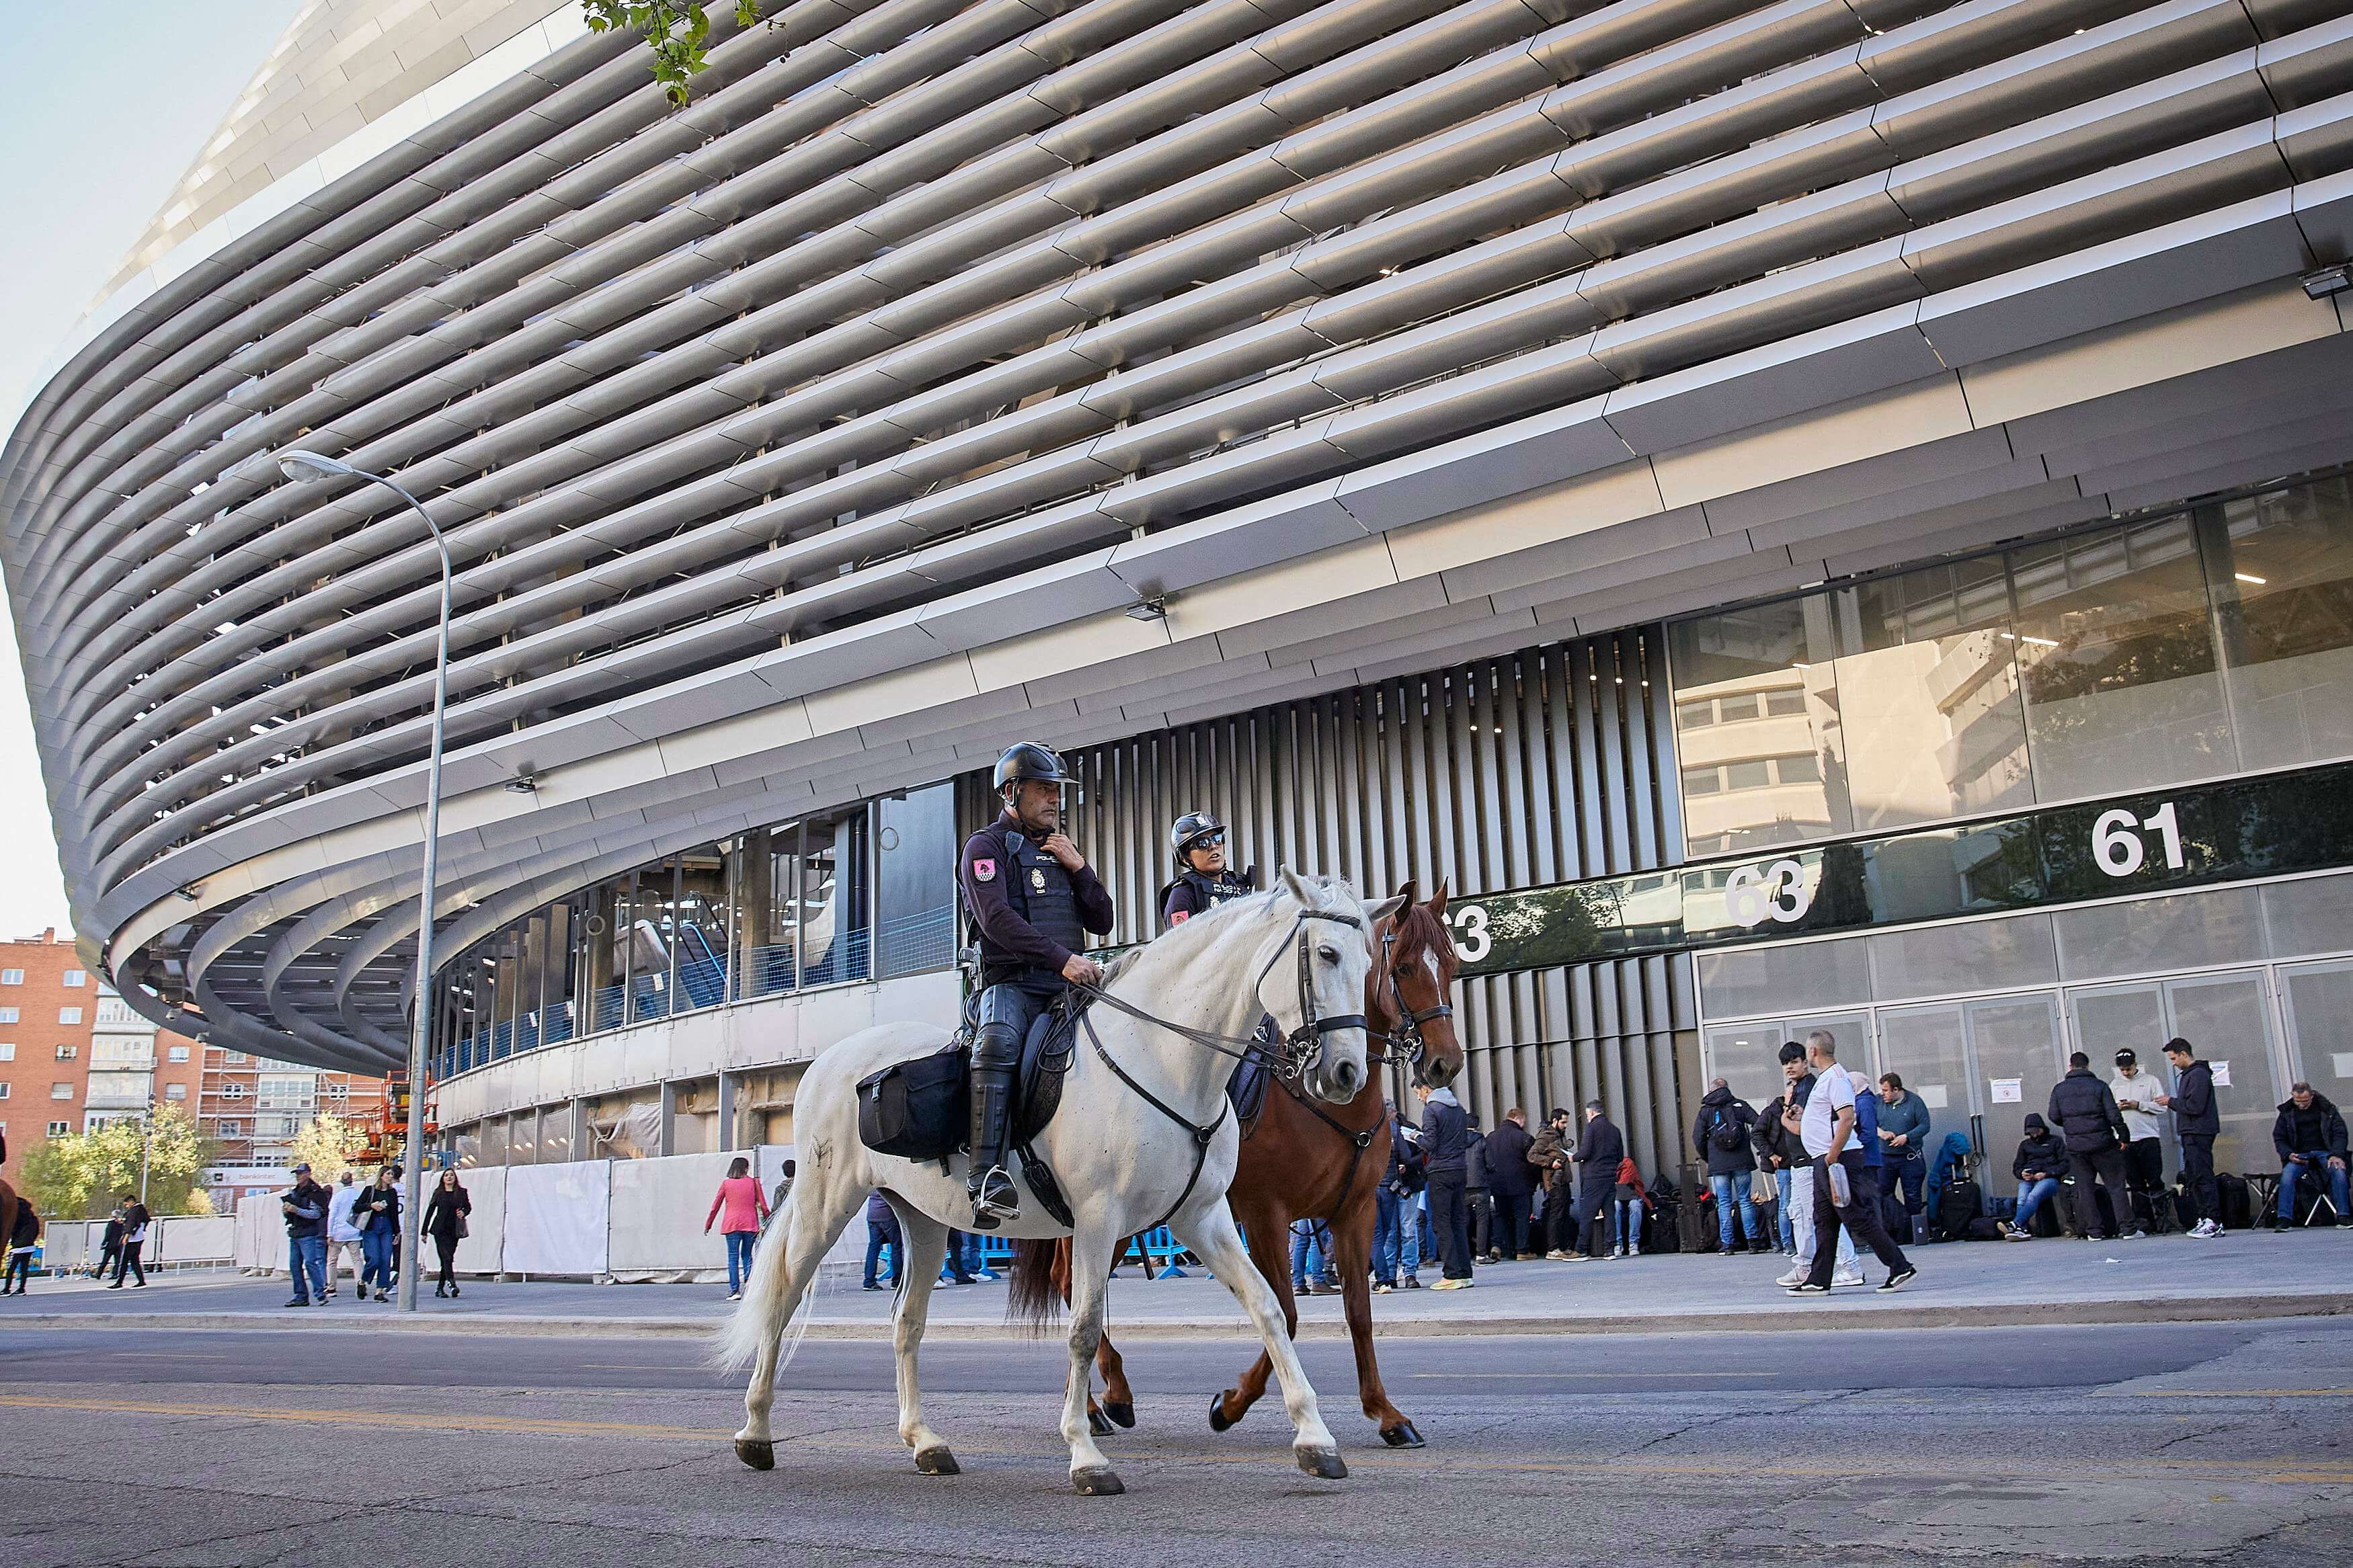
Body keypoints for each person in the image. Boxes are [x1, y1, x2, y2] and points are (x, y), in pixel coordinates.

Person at [958, 741, 1116, 1229]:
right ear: (1012, 790)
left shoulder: (1058, 848)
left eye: (1058, 791)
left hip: (1068, 989)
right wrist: (1062, 959)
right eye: (1044, 789)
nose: (1054, 799)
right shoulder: (985, 847)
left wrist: (1080, 867)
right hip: (1013, 986)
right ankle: (986, 1177)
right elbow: (996, 919)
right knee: (998, 1041)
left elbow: (1103, 919)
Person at [1793, 1030, 1915, 1295]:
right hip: (1824, 1158)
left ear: (1813, 1051)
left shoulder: (1836, 1078)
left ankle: (1899, 1266)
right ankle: (1819, 1278)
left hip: (1837, 1159)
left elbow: (1848, 1118)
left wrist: (1832, 1155)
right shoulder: (1828, 1079)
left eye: (1807, 1051)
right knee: (1824, 1220)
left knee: (1855, 1216)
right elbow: (1831, 1117)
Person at [1773, 1044, 1859, 1288]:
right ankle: (1805, 1265)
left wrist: (1787, 1119)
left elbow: (1813, 1124)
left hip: (1812, 1158)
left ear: (1805, 1060)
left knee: (1822, 1217)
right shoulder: (1796, 1089)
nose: (1789, 1067)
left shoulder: (1812, 1086)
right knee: (1802, 1215)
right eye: (1785, 1063)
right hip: (1800, 1160)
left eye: (1794, 1061)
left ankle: (1848, 1265)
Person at [2047, 1051, 2131, 1241]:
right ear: (2087, 1066)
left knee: (2085, 1190)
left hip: (2077, 1147)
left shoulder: (2059, 1090)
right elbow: (2114, 1115)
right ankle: (2127, 1229)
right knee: (2116, 1187)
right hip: (2104, 1144)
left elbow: (2054, 1116)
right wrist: (2124, 1136)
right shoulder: (2100, 1086)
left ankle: (2094, 1231)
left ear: (2070, 1067)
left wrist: (2072, 1126)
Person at [2155, 1038, 2222, 1237]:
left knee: (2203, 1176)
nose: (2173, 1063)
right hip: (2191, 1131)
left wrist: (2171, 1102)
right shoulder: (2189, 1075)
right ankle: (2205, 1218)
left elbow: (2195, 1106)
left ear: (2184, 1054)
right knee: (2194, 1177)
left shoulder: (2198, 1075)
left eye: (2174, 1058)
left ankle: (2213, 1220)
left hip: (2198, 1132)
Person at [1692, 1078, 1762, 1255]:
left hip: (1719, 1163)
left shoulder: (1706, 1111)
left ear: (1712, 1090)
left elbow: (1697, 1137)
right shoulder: (1740, 1105)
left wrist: (1708, 1157)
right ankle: (1753, 1242)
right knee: (1745, 1200)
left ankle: (1728, 1244)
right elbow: (1759, 1123)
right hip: (1742, 1161)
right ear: (1727, 1089)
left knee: (1724, 1203)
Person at [1419, 1081, 1475, 1289]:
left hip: (1440, 1171)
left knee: (1441, 1223)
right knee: (1458, 1222)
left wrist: (1417, 1138)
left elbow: (1430, 1143)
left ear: (1427, 1089)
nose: (1419, 1098)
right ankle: (1465, 1273)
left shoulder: (1431, 1109)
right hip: (1460, 1169)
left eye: (1419, 1093)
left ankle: (1451, 1275)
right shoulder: (1459, 1109)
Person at [2272, 1081, 2350, 1229]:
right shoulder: (2287, 1113)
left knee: (2339, 1171)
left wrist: (2336, 1154)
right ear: (2292, 1096)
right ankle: (2284, 1218)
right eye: (2298, 1101)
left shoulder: (2328, 1110)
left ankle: (2343, 1216)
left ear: (2312, 1095)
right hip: (2299, 1155)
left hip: (2326, 1153)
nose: (2301, 1105)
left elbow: (2340, 1133)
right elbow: (2279, 1137)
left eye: (2305, 1101)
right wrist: (2288, 1154)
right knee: (2287, 1176)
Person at [2108, 1048, 2169, 1234]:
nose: (2126, 1073)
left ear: (2135, 1065)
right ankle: (2143, 1221)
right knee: (2135, 1184)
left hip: (2148, 1137)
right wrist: (2118, 1108)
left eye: (2128, 1068)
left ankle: (2162, 1219)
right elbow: (2109, 1112)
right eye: (2122, 1070)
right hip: (2127, 1140)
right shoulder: (2115, 1085)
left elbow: (2162, 1108)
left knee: (2154, 1180)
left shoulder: (2150, 1081)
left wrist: (2139, 1105)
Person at [1160, 811, 1251, 925]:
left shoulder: (1239, 885)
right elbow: (1182, 941)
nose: (1213, 846)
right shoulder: (1182, 896)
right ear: (1185, 858)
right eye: (1202, 843)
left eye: (1217, 839)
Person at [1372, 1100, 1426, 1292]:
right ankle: (1394, 1273)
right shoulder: (1396, 1129)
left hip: (1394, 1187)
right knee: (1399, 1231)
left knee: (1392, 1232)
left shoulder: (1404, 1128)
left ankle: (1390, 1275)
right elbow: (1409, 1155)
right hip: (1394, 1187)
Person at [1874, 1073, 1931, 1244]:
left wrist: (1906, 1137)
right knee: (1883, 1194)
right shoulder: (1877, 1102)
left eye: (1886, 1091)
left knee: (1912, 1195)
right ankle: (1890, 1233)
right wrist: (1881, 1133)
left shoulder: (1914, 1102)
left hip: (1909, 1157)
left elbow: (1925, 1125)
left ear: (1897, 1089)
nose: (1883, 1094)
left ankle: (1915, 1235)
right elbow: (1866, 1121)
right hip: (1885, 1156)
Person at [705, 1155, 770, 1301]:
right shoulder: (754, 1183)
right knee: (747, 1255)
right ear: (746, 1168)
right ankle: (750, 1284)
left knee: (733, 1258)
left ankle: (735, 1291)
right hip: (751, 1225)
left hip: (731, 1225)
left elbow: (715, 1206)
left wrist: (709, 1224)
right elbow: (764, 1205)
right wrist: (769, 1219)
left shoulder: (726, 1184)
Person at [1997, 1113, 2069, 1240]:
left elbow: (2064, 1165)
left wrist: (2047, 1173)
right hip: (2030, 1179)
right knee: (2022, 1198)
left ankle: (2015, 1224)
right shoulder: (2025, 1145)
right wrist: (2022, 1174)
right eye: (2031, 1132)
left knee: (2033, 1196)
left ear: (2042, 1128)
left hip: (2050, 1179)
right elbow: (2017, 1167)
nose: (2034, 1135)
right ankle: (2021, 1230)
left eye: (2036, 1131)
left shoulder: (2055, 1141)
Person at [1753, 1076, 1800, 1255]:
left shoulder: (1801, 1110)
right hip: (1785, 1163)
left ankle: (1793, 1242)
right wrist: (1770, 1154)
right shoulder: (1772, 1111)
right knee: (1786, 1204)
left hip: (1800, 1162)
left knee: (1798, 1204)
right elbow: (1756, 1133)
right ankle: (1787, 1242)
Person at [1572, 1100, 1624, 1262]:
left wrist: (1573, 1157)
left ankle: (1581, 1250)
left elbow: (1585, 1152)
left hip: (1594, 1177)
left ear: (1592, 1113)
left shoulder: (1591, 1128)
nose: (1588, 1118)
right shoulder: (1615, 1130)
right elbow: (1620, 1156)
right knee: (1609, 1213)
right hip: (1609, 1177)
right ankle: (1610, 1250)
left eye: (1587, 1115)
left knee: (1587, 1213)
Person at [1484, 1108, 1537, 1262]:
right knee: (1522, 1217)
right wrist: (1533, 1182)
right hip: (1521, 1185)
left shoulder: (1491, 1137)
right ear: (1518, 1119)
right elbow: (1533, 1162)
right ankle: (1522, 1250)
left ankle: (1497, 1245)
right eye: (1523, 1121)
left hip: (1497, 1185)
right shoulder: (1524, 1138)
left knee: (1500, 1216)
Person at [279, 1165, 328, 1307]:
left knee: (310, 1263)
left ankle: (320, 1293)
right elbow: (291, 1214)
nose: (298, 1176)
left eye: (301, 1174)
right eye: (297, 1174)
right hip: (296, 1232)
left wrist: (297, 1210)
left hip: (308, 1232)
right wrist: (286, 1211)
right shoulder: (295, 1192)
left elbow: (316, 1214)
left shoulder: (315, 1192)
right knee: (295, 1265)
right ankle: (300, 1296)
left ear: (308, 1174)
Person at [1531, 1107, 1577, 1258]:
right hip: (1554, 1181)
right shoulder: (1546, 1136)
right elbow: (1532, 1155)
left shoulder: (1559, 1134)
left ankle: (1562, 1247)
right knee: (1556, 1214)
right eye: (1563, 1122)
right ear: (1555, 1121)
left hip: (1563, 1179)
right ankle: (1553, 1248)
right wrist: (1550, 1163)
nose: (1565, 1125)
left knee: (1563, 1214)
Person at [422, 1170, 472, 1298]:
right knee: (446, 1257)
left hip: (454, 1229)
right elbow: (430, 1211)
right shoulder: (439, 1193)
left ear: (455, 1178)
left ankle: (439, 1288)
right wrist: (424, 1231)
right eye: (447, 1175)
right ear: (443, 1179)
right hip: (440, 1229)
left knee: (447, 1258)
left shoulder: (461, 1192)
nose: (449, 1177)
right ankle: (452, 1284)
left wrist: (464, 1212)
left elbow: (468, 1207)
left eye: (452, 1175)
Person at [355, 1166, 401, 1301]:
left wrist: (397, 1232)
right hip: (372, 1226)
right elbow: (357, 1206)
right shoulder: (371, 1190)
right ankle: (363, 1281)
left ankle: (380, 1291)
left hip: (387, 1226)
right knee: (374, 1258)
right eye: (388, 1174)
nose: (390, 1176)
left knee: (386, 1258)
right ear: (381, 1176)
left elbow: (394, 1213)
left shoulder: (392, 1192)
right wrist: (371, 1206)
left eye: (392, 1174)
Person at [324, 1170, 365, 1300]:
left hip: (338, 1233)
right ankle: (360, 1281)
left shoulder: (337, 1197)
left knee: (332, 1260)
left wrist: (329, 1233)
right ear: (352, 1181)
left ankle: (331, 1287)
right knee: (357, 1259)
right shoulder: (358, 1195)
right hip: (354, 1232)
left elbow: (332, 1216)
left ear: (342, 1182)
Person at [862, 1190, 902, 1291]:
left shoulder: (873, 1181)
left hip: (872, 1215)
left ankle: (869, 1282)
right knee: (896, 1248)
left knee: (873, 1249)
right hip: (889, 1216)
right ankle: (897, 1282)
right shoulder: (888, 1179)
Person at [112, 1191, 151, 1290]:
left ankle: (119, 1282)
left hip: (132, 1239)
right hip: (139, 1238)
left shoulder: (134, 1211)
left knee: (124, 1261)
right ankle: (141, 1281)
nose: (126, 1207)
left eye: (126, 1204)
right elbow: (143, 1221)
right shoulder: (141, 1209)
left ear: (131, 1202)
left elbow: (131, 1224)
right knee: (135, 1261)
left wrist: (126, 1237)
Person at [1612, 1154, 1647, 1257]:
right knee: (1615, 1206)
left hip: (1635, 1194)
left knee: (1635, 1206)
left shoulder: (1627, 1163)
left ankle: (1633, 1243)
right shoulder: (1603, 1165)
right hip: (1617, 1197)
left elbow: (1624, 1185)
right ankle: (1617, 1244)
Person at [3, 1198, 38, 1294]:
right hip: (30, 1246)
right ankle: (22, 1288)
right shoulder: (33, 1219)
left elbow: (12, 1231)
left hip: (18, 1246)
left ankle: (7, 1289)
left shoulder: (18, 1219)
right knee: (24, 1268)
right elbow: (36, 1232)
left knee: (11, 1268)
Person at [94, 1204, 124, 1282]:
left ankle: (99, 1274)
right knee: (118, 1261)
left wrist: (104, 1243)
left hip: (111, 1245)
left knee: (105, 1260)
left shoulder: (111, 1224)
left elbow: (108, 1234)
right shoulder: (122, 1224)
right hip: (119, 1245)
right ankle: (115, 1274)